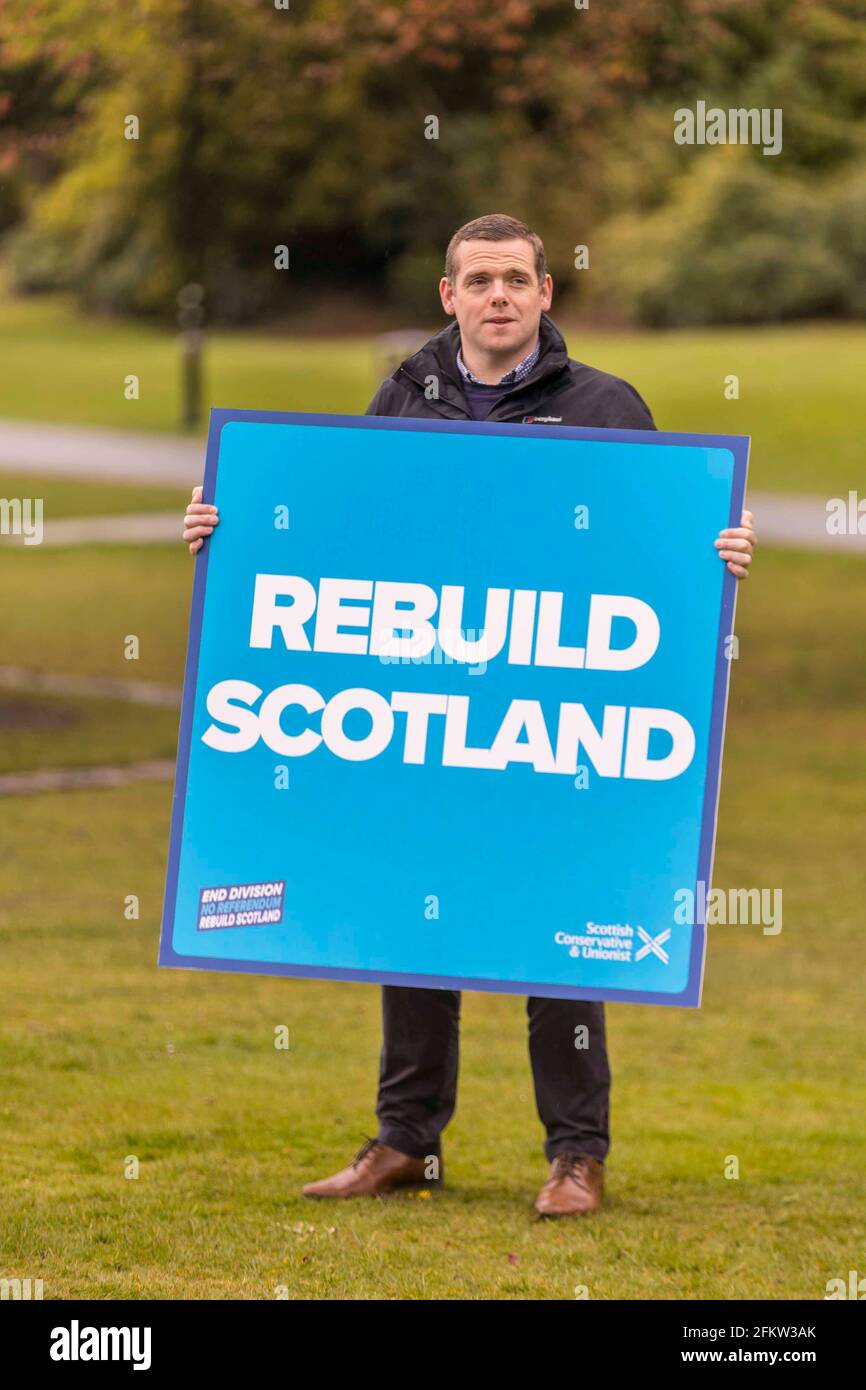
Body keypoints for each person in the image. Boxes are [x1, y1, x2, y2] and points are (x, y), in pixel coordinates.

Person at [182, 213, 756, 1217]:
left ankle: (575, 1156)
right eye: (478, 280)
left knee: (557, 926)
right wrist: (228, 534)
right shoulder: (406, 394)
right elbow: (345, 534)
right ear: (447, 296)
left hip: (551, 718)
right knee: (414, 918)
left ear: (544, 295)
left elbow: (652, 547)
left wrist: (715, 557)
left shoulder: (603, 405)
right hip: (427, 710)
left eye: (515, 279)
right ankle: (405, 1142)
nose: (498, 295)